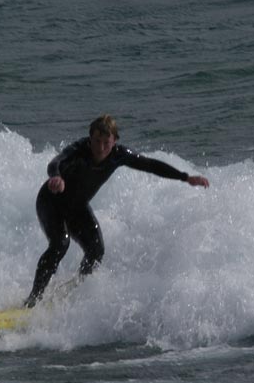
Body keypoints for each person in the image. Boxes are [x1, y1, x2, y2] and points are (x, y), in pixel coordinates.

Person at [25, 114, 210, 307]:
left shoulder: (118, 155)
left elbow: (149, 165)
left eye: (107, 142)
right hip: (50, 201)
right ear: (90, 138)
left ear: (115, 141)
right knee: (60, 245)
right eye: (97, 141)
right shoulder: (79, 150)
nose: (101, 148)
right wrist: (56, 177)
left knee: (96, 251)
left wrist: (185, 177)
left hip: (76, 208)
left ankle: (70, 294)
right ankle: (32, 301)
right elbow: (55, 162)